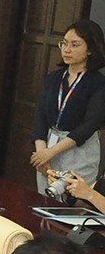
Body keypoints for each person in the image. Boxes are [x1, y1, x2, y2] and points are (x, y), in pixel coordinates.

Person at [30, 20, 105, 190]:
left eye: (75, 45)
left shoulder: (98, 83)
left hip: (79, 152)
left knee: (71, 203)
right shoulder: (53, 78)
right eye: (64, 43)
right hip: (49, 148)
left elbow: (89, 125)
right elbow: (40, 118)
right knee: (44, 201)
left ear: (91, 49)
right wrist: (42, 154)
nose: (67, 49)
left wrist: (51, 152)